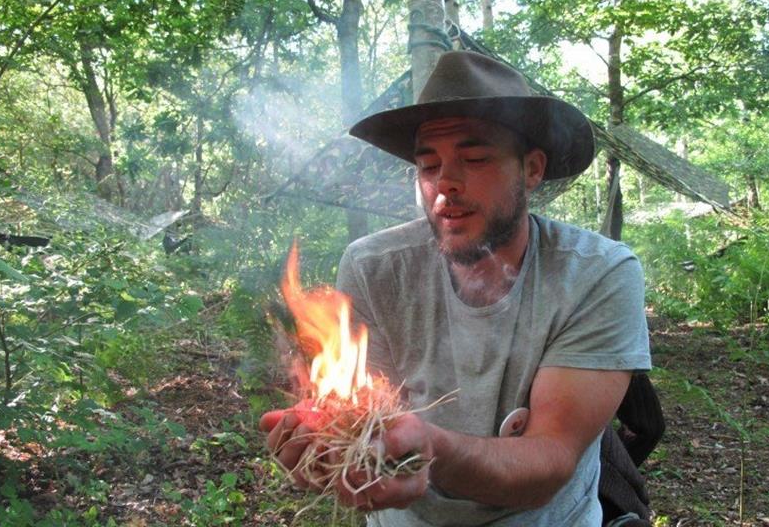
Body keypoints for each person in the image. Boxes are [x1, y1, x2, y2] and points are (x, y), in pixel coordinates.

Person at [260, 51, 652, 527]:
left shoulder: (596, 274)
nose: (446, 183)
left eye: (475, 158)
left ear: (531, 169)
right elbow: (364, 423)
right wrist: (331, 445)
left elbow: (549, 459)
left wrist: (433, 449)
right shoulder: (373, 267)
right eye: (428, 166)